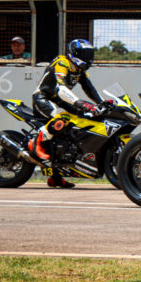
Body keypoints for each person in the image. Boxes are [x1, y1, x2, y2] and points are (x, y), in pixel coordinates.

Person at [29, 39, 104, 189]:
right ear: (75, 53)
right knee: (61, 117)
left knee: (79, 120)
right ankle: (36, 143)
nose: (89, 58)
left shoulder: (80, 70)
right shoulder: (62, 62)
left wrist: (101, 103)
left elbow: (89, 89)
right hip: (43, 97)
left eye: (90, 54)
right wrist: (79, 102)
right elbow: (61, 88)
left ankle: (56, 177)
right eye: (85, 54)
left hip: (59, 100)